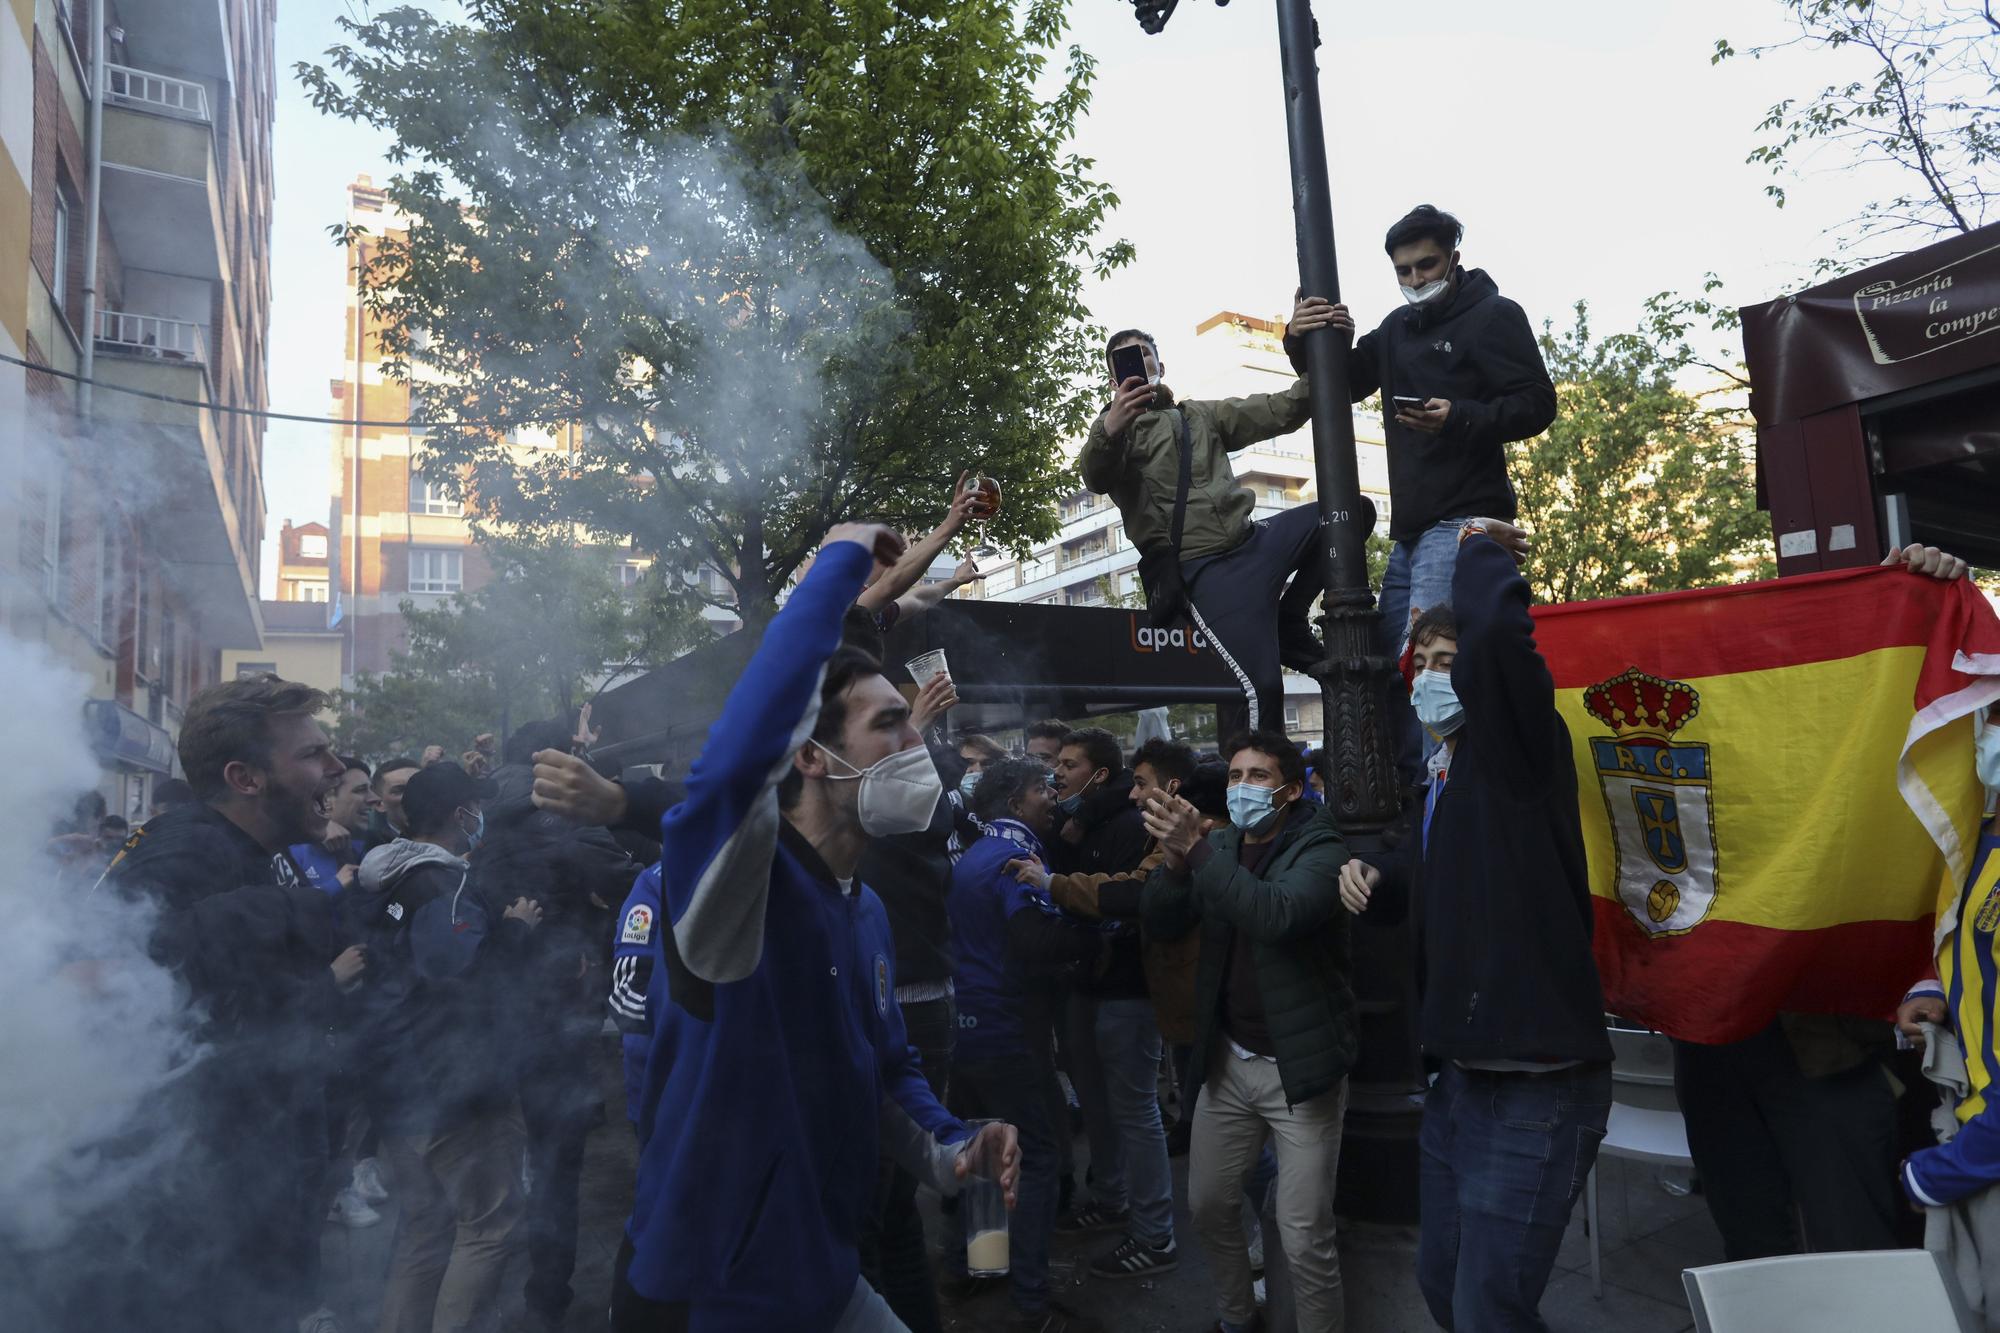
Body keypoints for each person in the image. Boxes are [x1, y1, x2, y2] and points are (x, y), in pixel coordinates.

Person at [610, 523, 1018, 1332]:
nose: (915, 743)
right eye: (891, 724)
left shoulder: (862, 905)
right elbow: (732, 764)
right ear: (811, 757)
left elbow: (887, 1068)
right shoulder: (732, 886)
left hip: (823, 1277)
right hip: (711, 1294)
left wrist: (953, 1146)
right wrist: (839, 558)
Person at [1339, 521, 1612, 1333]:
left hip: (1535, 1082)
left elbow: (1494, 626)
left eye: (1444, 663)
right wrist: (1380, 877)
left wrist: (1471, 545)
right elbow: (1434, 876)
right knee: (1442, 1281)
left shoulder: (1521, 749)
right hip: (1458, 1079)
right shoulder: (1441, 783)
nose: (1427, 677)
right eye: (1419, 663)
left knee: (1491, 1307)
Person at [95, 674, 354, 1333]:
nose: (336, 768)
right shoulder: (184, 851)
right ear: (245, 777)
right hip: (190, 1233)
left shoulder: (253, 851)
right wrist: (293, 912)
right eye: (312, 754)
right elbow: (100, 973)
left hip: (249, 1201)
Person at [1302, 205, 1557, 781]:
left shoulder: (1494, 316)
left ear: (1454, 260)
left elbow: (1537, 403)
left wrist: (1459, 416)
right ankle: (1408, 791)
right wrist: (1307, 337)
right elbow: (1342, 380)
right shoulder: (1396, 327)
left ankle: (1443, 795)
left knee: (1431, 664)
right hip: (1412, 530)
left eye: (1427, 266)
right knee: (1393, 664)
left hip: (1466, 515)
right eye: (1405, 271)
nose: (1416, 280)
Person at [1142, 730, 1356, 1333]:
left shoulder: (1321, 847)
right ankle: (1239, 1318)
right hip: (1227, 1064)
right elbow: (1160, 920)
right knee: (1208, 1205)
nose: (1241, 789)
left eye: (1257, 777)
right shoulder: (1222, 843)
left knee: (1304, 1233)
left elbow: (1274, 915)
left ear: (1290, 790)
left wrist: (1201, 854)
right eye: (1234, 776)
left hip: (1298, 1071)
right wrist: (1177, 865)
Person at [1080, 297, 1339, 731]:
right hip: (1204, 569)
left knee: (1349, 513)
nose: (1139, 362)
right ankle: (1264, 791)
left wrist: (1319, 360)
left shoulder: (1198, 415)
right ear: (1114, 379)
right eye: (1127, 359)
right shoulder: (1112, 432)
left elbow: (1280, 409)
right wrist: (1111, 428)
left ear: (1161, 365)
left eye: (1146, 353)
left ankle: (1290, 620)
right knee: (1263, 689)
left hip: (1254, 542)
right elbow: (1095, 475)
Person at [352, 760, 539, 1333]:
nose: (481, 816)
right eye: (475, 807)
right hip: (453, 1095)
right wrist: (515, 932)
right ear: (461, 814)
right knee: (488, 1229)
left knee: (426, 1231)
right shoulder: (445, 885)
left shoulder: (391, 876)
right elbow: (456, 978)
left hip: (399, 1090)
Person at [478, 720, 642, 1330]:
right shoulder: (564, 817)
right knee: (555, 1164)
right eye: (574, 752)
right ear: (552, 759)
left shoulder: (484, 817)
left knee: (491, 1161)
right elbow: (626, 879)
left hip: (495, 1008)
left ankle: (480, 1289)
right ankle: (547, 1299)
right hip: (557, 1011)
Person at [1026, 737, 1196, 1280]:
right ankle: (1112, 1197)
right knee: (1101, 1103)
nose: (1056, 776)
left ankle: (1155, 1235)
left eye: (1067, 765)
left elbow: (1130, 898)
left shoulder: (1143, 828)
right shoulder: (1088, 825)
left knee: (1136, 1111)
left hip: (1129, 990)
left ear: (1100, 775)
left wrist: (1052, 882)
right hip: (1093, 985)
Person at [952, 757, 1111, 1332]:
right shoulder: (1015, 856)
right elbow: (1033, 937)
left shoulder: (974, 852)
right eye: (1042, 788)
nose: (1052, 796)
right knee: (1039, 1155)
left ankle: (977, 1266)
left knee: (982, 1153)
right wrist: (1097, 935)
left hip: (968, 1026)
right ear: (1016, 803)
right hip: (1008, 1028)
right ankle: (1031, 1301)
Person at [1900, 701, 2000, 1322]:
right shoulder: (1980, 835)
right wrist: (1931, 987)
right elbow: (1967, 944)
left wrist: (1937, 1175)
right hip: (1974, 1134)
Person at [294, 757, 375, 895]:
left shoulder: (377, 845)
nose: (374, 798)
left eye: (371, 789)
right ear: (327, 800)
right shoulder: (292, 850)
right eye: (360, 790)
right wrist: (334, 886)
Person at [360, 756, 421, 854]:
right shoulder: (370, 848)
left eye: (419, 787)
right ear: (379, 803)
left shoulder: (450, 834)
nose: (414, 795)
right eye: (400, 791)